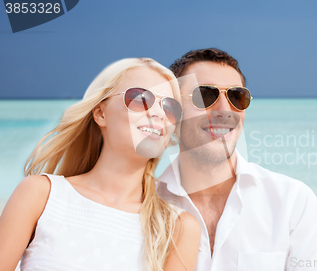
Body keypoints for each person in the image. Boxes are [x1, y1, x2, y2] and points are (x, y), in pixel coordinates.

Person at [0, 58, 200, 271]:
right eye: (141, 99)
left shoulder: (178, 227)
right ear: (100, 113)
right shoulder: (41, 195)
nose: (159, 113)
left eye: (170, 107)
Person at [158, 48, 317, 270]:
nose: (224, 110)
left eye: (236, 97)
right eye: (204, 95)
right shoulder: (143, 207)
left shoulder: (293, 202)